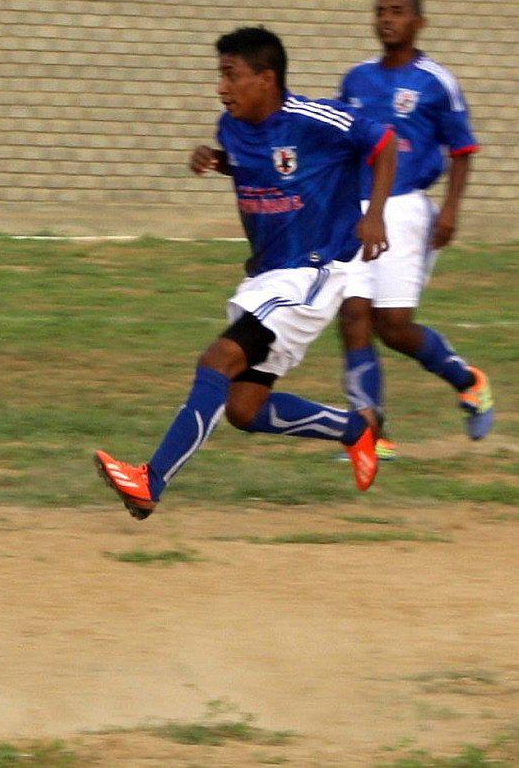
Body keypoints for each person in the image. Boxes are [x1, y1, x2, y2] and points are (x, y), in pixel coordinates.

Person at [94, 27, 398, 519]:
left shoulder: (315, 120)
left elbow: (384, 143)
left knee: (218, 360)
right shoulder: (231, 128)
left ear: (266, 78)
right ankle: (356, 428)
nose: (222, 88)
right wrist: (219, 163)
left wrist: (376, 214)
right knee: (244, 408)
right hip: (267, 277)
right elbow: (259, 168)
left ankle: (150, 481)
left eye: (231, 76)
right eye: (220, 76)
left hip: (313, 271)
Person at [334, 0, 493, 458]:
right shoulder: (356, 80)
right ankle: (370, 434)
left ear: (418, 22)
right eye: (381, 11)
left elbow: (462, 150)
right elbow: (343, 142)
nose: (387, 19)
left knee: (394, 325)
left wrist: (450, 210)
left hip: (405, 208)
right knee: (353, 315)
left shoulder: (436, 82)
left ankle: (467, 380)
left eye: (398, 12)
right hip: (357, 209)